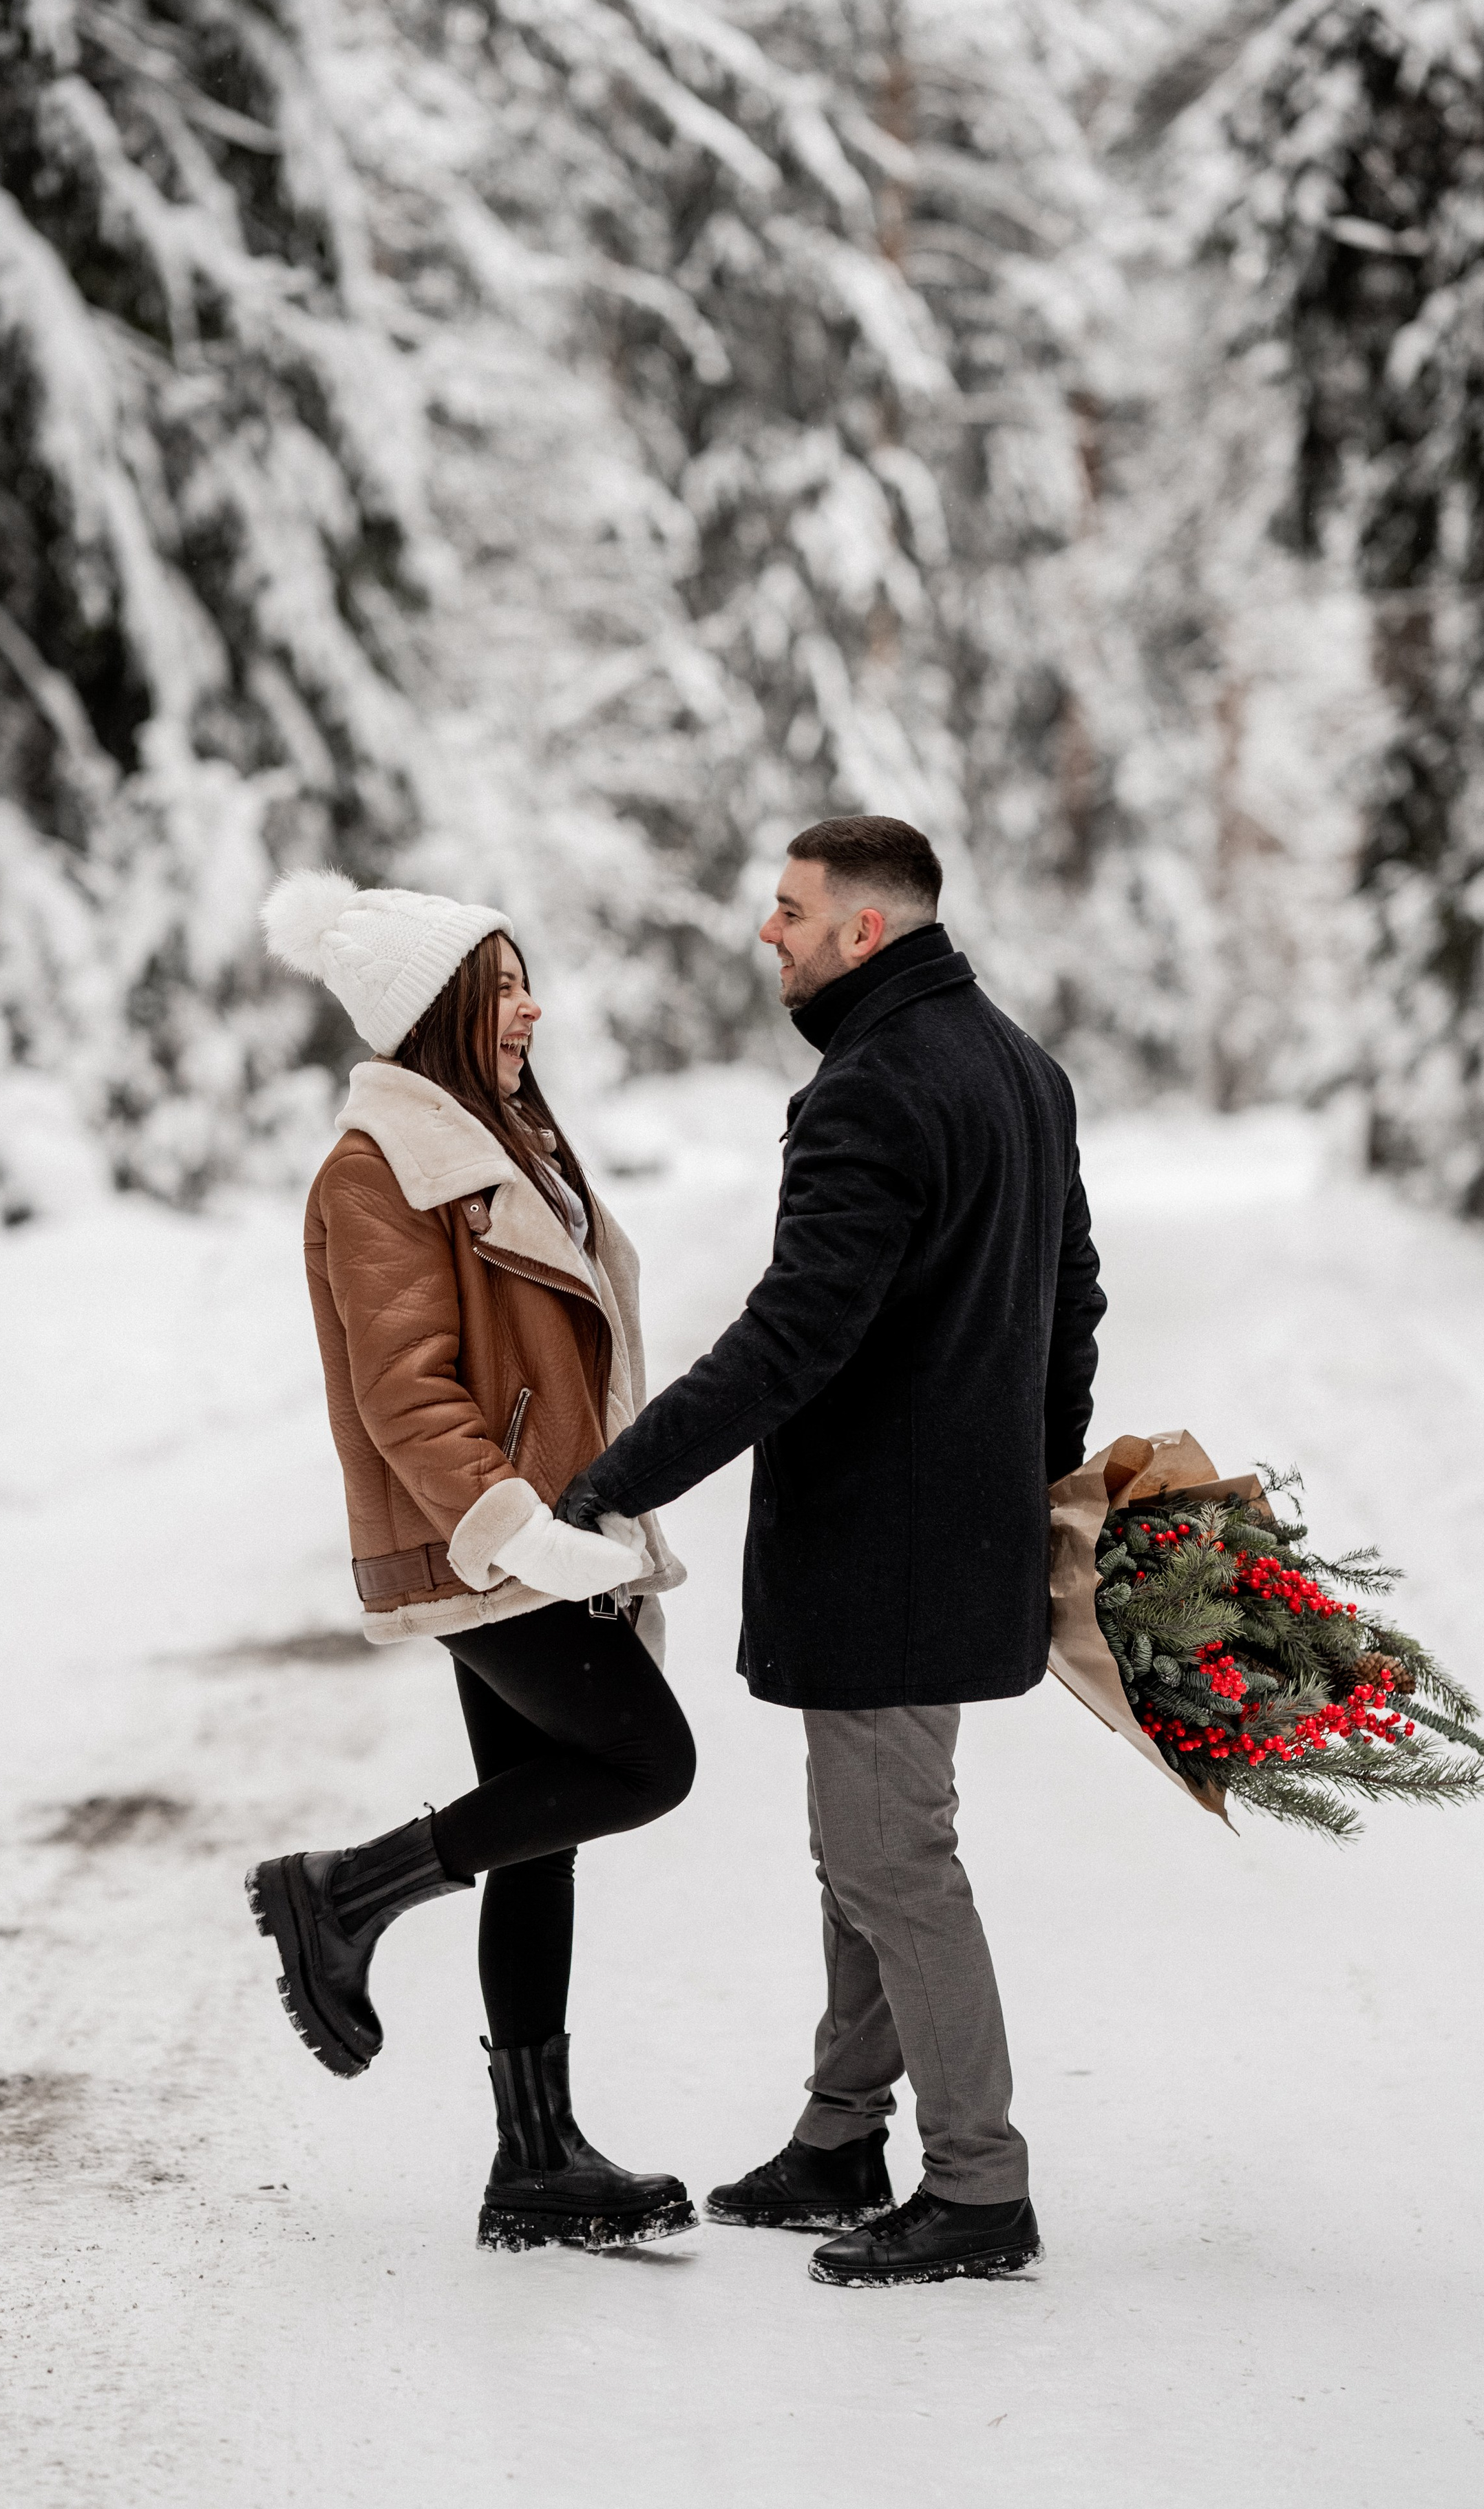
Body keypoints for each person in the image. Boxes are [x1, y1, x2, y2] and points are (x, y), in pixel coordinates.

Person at [557, 815, 1105, 2287]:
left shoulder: (872, 1089)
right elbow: (1074, 1301)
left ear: (866, 931)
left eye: (788, 911)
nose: (767, 932)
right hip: (955, 1534)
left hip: (881, 1545)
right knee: (861, 1852)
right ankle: (836, 2138)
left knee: (889, 1857)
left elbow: (796, 1335)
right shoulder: (1016, 1066)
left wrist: (617, 1478)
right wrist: (1031, 1474)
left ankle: (978, 2188)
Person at [246, 870, 697, 2254]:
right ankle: (342, 1893)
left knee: (540, 1821)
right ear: (438, 1011)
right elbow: (406, 1391)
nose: (531, 1011)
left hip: (552, 1535)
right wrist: (518, 1529)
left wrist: (587, 1525)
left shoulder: (496, 1143)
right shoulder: (381, 1169)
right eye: (504, 992)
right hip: (489, 1541)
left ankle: (535, 2161)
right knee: (643, 1763)